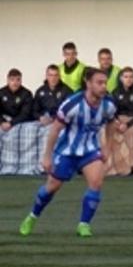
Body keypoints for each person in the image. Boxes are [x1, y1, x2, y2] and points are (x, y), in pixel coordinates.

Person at [19, 68, 116, 238]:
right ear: (88, 83)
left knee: (96, 183)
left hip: (90, 150)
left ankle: (84, 225)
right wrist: (47, 156)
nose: (103, 87)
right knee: (52, 187)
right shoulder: (72, 104)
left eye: (105, 83)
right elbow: (55, 129)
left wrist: (107, 147)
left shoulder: (109, 104)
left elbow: (111, 123)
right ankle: (33, 216)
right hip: (67, 152)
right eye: (99, 83)